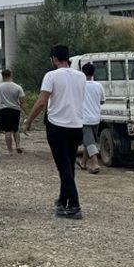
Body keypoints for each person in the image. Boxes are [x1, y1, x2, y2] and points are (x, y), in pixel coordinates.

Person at [24, 45, 87, 219]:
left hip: (57, 125)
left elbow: (41, 102)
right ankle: (63, 199)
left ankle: (74, 205)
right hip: (76, 125)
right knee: (68, 164)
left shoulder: (51, 76)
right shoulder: (81, 76)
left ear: (54, 59)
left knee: (63, 166)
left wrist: (28, 121)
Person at [80, 63, 105, 174]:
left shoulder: (80, 85)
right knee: (89, 141)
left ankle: (95, 163)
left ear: (82, 72)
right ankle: (83, 163)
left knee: (89, 142)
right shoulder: (98, 85)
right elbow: (102, 101)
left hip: (84, 119)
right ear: (93, 73)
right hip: (96, 118)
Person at [0, 69, 26, 154]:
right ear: (11, 75)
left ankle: (10, 150)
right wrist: (27, 113)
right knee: (15, 129)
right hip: (15, 109)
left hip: (4, 110)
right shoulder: (18, 87)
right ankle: (18, 145)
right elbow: (22, 101)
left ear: (2, 76)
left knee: (7, 131)